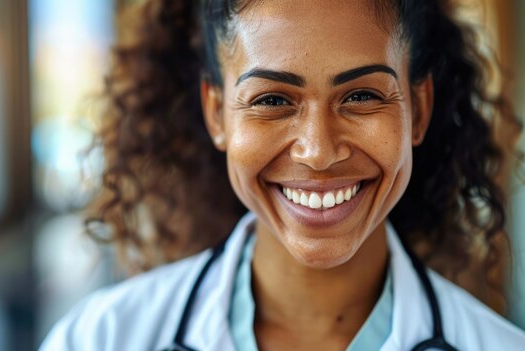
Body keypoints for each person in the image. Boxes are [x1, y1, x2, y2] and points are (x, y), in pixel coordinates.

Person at [40, 0, 525, 350]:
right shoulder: (99, 339)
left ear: (418, 112)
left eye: (361, 96)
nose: (317, 151)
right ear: (216, 115)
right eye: (272, 100)